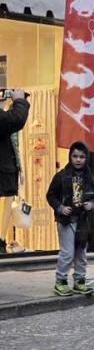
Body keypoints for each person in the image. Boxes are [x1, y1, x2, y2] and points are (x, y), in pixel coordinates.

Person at [47, 141, 94, 296]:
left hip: (82, 220)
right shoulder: (61, 176)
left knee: (81, 253)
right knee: (68, 253)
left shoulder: (90, 178)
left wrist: (91, 204)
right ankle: (60, 282)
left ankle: (80, 281)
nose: (78, 160)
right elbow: (50, 195)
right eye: (75, 156)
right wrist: (60, 208)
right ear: (70, 157)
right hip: (66, 221)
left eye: (82, 157)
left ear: (86, 158)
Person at [0, 89, 29, 251]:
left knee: (7, 203)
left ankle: (2, 239)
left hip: (7, 172)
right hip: (4, 173)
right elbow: (15, 120)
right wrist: (19, 101)